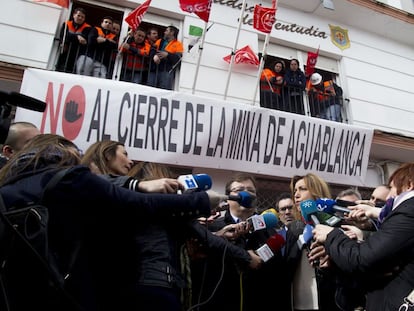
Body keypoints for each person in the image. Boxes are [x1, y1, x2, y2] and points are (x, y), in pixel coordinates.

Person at [0, 134, 223, 311]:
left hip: (21, 289)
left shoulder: (9, 185)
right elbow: (135, 202)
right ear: (62, 149)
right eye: (75, 151)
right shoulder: (69, 178)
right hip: (73, 289)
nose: (80, 157)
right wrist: (201, 200)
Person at [80, 141, 262, 311]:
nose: (130, 160)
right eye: (125, 154)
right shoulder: (100, 189)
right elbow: (202, 235)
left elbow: (199, 235)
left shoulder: (127, 198)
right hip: (150, 284)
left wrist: (219, 234)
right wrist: (245, 257)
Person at [312, 162, 414, 311]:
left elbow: (363, 259)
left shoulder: (409, 210)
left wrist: (331, 236)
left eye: (391, 187)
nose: (390, 196)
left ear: (409, 184)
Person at [290, 173, 342, 311]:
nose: (296, 195)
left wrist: (331, 251)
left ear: (316, 192)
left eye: (302, 189)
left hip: (330, 300)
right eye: (295, 190)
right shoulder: (293, 227)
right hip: (298, 302)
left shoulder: (337, 225)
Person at [147, 25, 184, 90]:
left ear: (172, 32)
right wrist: (154, 56)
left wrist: (167, 55)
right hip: (155, 69)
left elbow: (178, 58)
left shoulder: (178, 44)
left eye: (166, 31)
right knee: (150, 89)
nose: (164, 32)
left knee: (163, 91)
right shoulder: (160, 41)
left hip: (167, 71)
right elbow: (152, 50)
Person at [55, 7, 91, 73]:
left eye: (82, 17)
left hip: (77, 53)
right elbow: (64, 35)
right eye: (78, 15)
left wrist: (71, 37)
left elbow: (85, 38)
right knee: (61, 69)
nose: (80, 18)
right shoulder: (66, 24)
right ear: (74, 15)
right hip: (65, 51)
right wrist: (77, 37)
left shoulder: (87, 27)